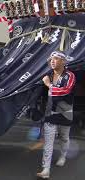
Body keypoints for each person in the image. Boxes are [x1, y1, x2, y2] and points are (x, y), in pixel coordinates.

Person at [37, 51, 76, 179]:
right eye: (51, 60)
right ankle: (46, 169)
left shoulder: (70, 75)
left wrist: (48, 85)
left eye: (56, 59)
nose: (52, 61)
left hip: (65, 111)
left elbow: (66, 90)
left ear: (63, 62)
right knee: (48, 142)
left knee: (64, 138)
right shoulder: (47, 75)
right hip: (50, 112)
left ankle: (63, 155)